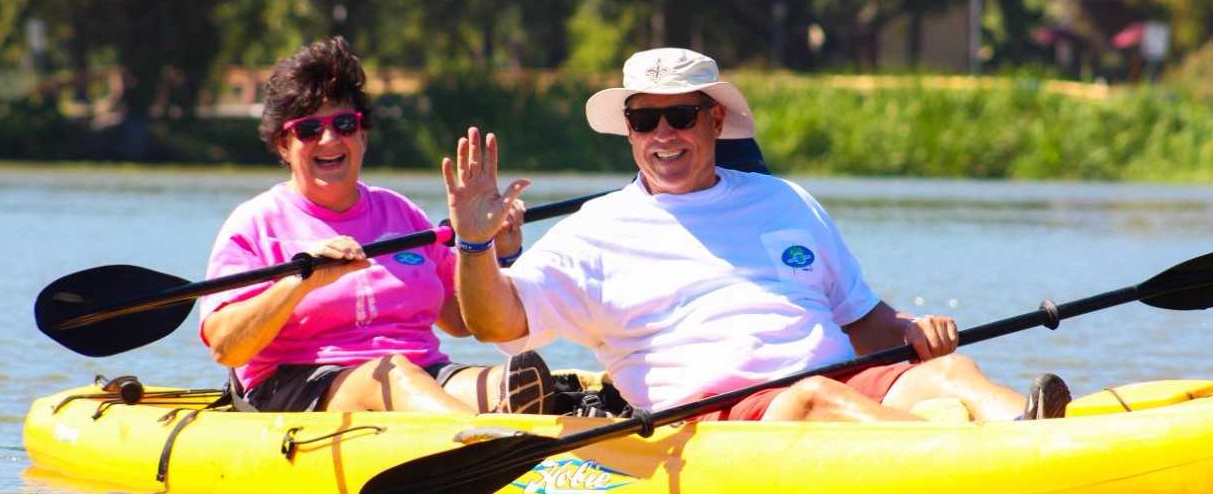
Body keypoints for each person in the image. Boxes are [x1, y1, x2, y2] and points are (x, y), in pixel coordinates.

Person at [444, 47, 1072, 423]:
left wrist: (913, 331)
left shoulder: (784, 200)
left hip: (841, 384)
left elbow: (864, 321)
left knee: (951, 374)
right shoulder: (595, 230)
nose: (663, 134)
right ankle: (975, 457)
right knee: (812, 399)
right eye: (644, 119)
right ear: (629, 130)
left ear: (715, 119)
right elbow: (496, 323)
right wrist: (475, 246)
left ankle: (1035, 433)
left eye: (681, 114)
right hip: (722, 417)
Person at [199, 36, 552, 414]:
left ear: (363, 135)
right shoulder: (255, 224)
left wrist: (484, 248)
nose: (329, 139)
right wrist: (300, 282)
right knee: (393, 374)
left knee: (512, 381)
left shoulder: (401, 213)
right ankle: (487, 440)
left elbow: (464, 321)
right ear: (284, 145)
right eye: (309, 129)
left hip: (422, 373)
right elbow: (226, 347)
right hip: (298, 386)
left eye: (344, 123)